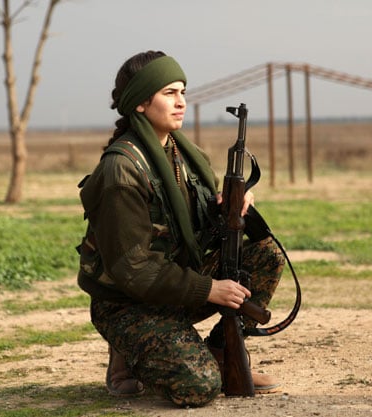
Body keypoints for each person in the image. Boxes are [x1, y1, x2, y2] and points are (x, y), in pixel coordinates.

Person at [76, 50, 285, 407]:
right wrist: (209, 289)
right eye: (169, 93)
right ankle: (129, 350)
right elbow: (133, 269)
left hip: (171, 286)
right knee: (198, 385)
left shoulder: (189, 158)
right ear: (140, 103)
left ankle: (220, 351)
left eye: (183, 92)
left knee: (266, 256)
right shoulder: (121, 171)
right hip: (127, 304)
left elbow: (202, 231)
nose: (181, 102)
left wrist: (235, 209)